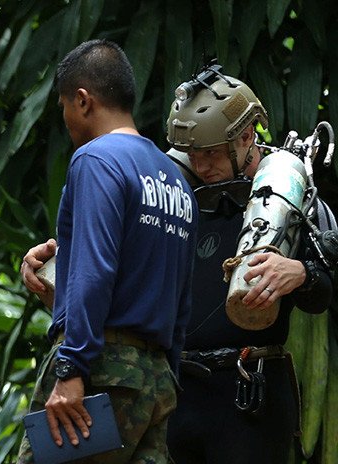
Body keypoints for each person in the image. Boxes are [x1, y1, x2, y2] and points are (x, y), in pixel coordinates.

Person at [16, 39, 197, 464]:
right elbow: (179, 294)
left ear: (82, 100)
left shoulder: (96, 160)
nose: (64, 119)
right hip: (156, 381)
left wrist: (72, 368)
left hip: (100, 370)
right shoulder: (176, 180)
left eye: (63, 106)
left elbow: (95, 269)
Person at [161, 68, 334, 463]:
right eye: (193, 154)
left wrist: (300, 273)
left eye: (212, 153)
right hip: (177, 396)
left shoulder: (289, 195)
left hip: (248, 397)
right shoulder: (177, 195)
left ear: (246, 137)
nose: (202, 165)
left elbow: (322, 291)